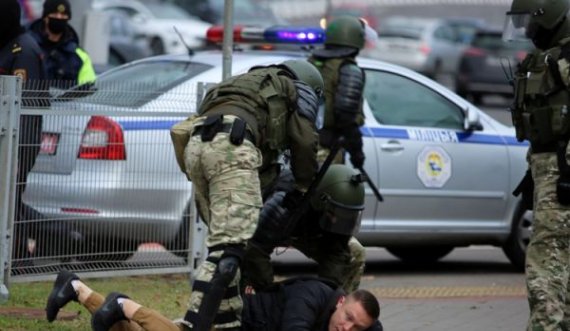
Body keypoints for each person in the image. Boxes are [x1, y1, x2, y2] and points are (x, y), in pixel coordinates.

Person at [171, 60, 323, 331]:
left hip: (196, 146)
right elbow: (304, 141)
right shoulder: (296, 89)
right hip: (232, 147)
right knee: (228, 254)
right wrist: (304, 185)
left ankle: (227, 323)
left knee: (225, 246)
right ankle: (194, 323)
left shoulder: (245, 84)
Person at [503, 0, 570, 329]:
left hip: (562, 175)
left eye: (533, 21)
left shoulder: (566, 58)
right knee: (557, 265)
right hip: (548, 170)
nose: (528, 30)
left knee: (545, 265)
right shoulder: (549, 59)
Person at [45, 269, 383, 331]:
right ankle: (121, 304)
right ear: (341, 302)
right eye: (349, 318)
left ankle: (75, 288)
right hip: (227, 318)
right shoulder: (312, 297)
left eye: (357, 328)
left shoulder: (355, 320)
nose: (347, 328)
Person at [307, 15, 370, 292]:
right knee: (334, 232)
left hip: (303, 150)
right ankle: (333, 295)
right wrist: (358, 155)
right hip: (330, 153)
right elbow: (346, 114)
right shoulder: (349, 70)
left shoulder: (313, 64)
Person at [242, 164, 366, 293]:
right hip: (274, 227)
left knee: (356, 253)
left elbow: (336, 255)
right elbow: (256, 248)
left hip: (311, 233)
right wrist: (268, 291)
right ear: (321, 200)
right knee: (240, 254)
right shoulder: (285, 201)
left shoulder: (339, 215)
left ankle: (340, 306)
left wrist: (327, 295)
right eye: (333, 214)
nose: (336, 220)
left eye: (343, 216)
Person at [0, 0, 48, 263]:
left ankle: (17, 260)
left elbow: (26, 108)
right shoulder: (7, 45)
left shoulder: (23, 50)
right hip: (4, 140)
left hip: (18, 143)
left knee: (10, 203)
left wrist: (20, 154)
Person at [28, 0, 96, 88]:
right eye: (54, 14)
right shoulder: (29, 47)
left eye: (63, 15)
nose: (59, 17)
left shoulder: (79, 55)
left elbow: (88, 89)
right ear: (45, 17)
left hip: (68, 102)